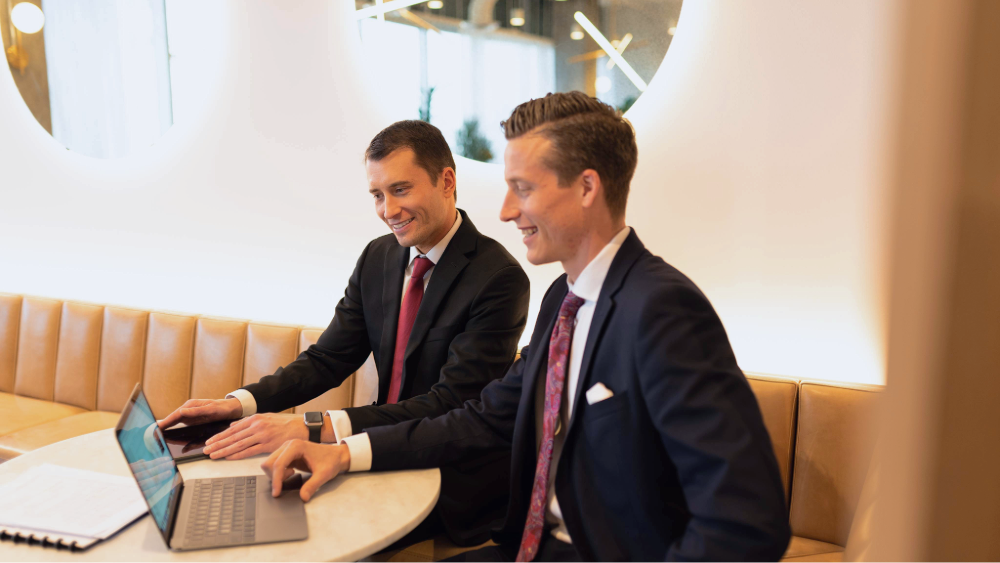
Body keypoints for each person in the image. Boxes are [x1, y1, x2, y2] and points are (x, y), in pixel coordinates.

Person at [260, 93, 791, 561]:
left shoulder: (663, 309)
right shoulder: (563, 298)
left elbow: (747, 520)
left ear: (587, 187)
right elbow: (485, 417)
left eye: (522, 188)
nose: (506, 210)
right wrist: (343, 451)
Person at [158, 120, 530, 546]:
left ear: (447, 181)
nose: (388, 210)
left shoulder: (498, 278)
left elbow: (450, 403)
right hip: (371, 447)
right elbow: (327, 359)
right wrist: (239, 404)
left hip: (446, 470)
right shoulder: (378, 257)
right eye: (377, 195)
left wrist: (313, 427)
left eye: (400, 189)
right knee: (258, 507)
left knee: (310, 533)